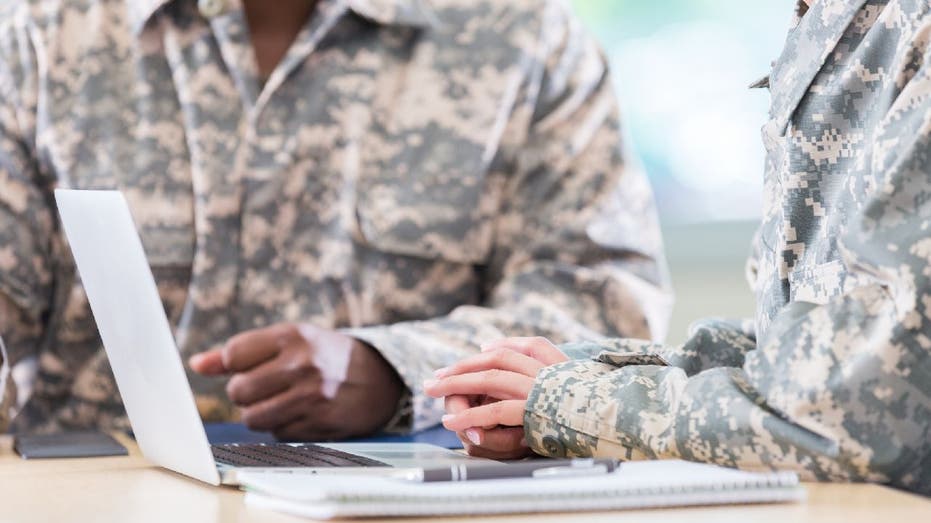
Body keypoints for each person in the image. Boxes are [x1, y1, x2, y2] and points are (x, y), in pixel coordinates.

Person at [0, 0, 671, 438]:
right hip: (97, 493)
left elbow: (605, 310)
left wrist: (394, 370)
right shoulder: (38, 36)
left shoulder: (523, 38)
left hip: (411, 494)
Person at [426, 0, 931, 496]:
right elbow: (804, 347)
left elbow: (867, 403)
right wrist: (565, 376)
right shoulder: (832, 17)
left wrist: (567, 402)